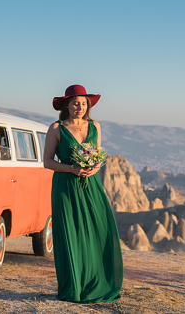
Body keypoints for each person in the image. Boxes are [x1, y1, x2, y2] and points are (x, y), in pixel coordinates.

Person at [43, 84, 123, 303]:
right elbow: (47, 162)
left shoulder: (95, 125)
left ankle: (96, 283)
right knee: (71, 234)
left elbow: (97, 156)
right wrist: (72, 169)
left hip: (91, 185)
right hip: (65, 187)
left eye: (83, 103)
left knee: (97, 230)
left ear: (88, 106)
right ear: (67, 105)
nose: (79, 107)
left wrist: (95, 168)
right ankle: (72, 287)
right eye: (75, 103)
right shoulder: (56, 128)